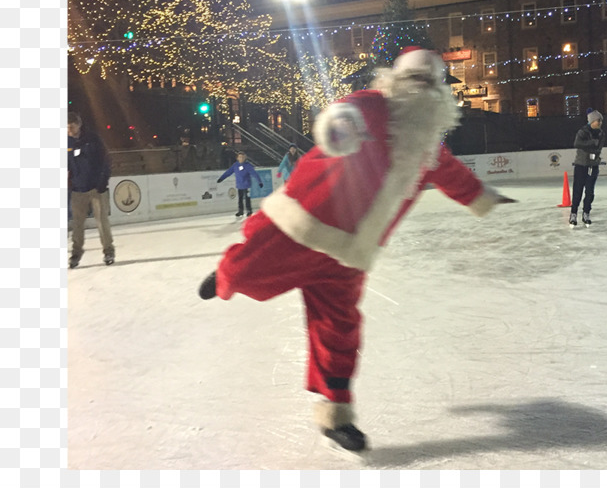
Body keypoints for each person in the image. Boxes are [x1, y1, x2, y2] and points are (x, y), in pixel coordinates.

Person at [196, 47, 515, 453]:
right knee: (246, 270)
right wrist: (338, 127)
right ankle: (223, 274)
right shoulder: (373, 106)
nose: (422, 92)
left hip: (350, 257)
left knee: (341, 332)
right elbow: (342, 113)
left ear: (440, 94)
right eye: (414, 82)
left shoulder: (428, 150)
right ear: (396, 83)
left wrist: (482, 197)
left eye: (430, 85)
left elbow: (455, 177)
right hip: (305, 226)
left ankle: (336, 415)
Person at [67, 111, 114, 268]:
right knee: (77, 224)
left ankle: (108, 251)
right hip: (77, 190)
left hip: (96, 189)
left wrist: (102, 182)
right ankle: (76, 253)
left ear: (79, 124)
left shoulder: (93, 139)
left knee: (102, 222)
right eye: (66, 128)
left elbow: (106, 160)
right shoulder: (66, 142)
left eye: (72, 127)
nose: (69, 131)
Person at [570, 109, 605, 227]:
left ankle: (586, 213)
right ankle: (573, 213)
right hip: (581, 165)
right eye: (598, 120)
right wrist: (591, 144)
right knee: (577, 191)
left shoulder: (601, 133)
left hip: (593, 166)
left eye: (600, 121)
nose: (600, 123)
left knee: (590, 191)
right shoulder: (583, 132)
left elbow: (598, 148)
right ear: (591, 121)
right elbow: (577, 143)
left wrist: (594, 153)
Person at [217, 151, 263, 217]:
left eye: (243, 157)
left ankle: (249, 211)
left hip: (247, 185)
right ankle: (240, 211)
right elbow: (228, 172)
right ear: (237, 158)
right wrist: (221, 178)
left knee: (247, 199)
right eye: (240, 157)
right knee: (240, 199)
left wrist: (259, 182)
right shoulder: (235, 165)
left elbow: (254, 174)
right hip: (239, 185)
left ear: (245, 158)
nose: (241, 158)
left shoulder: (248, 166)